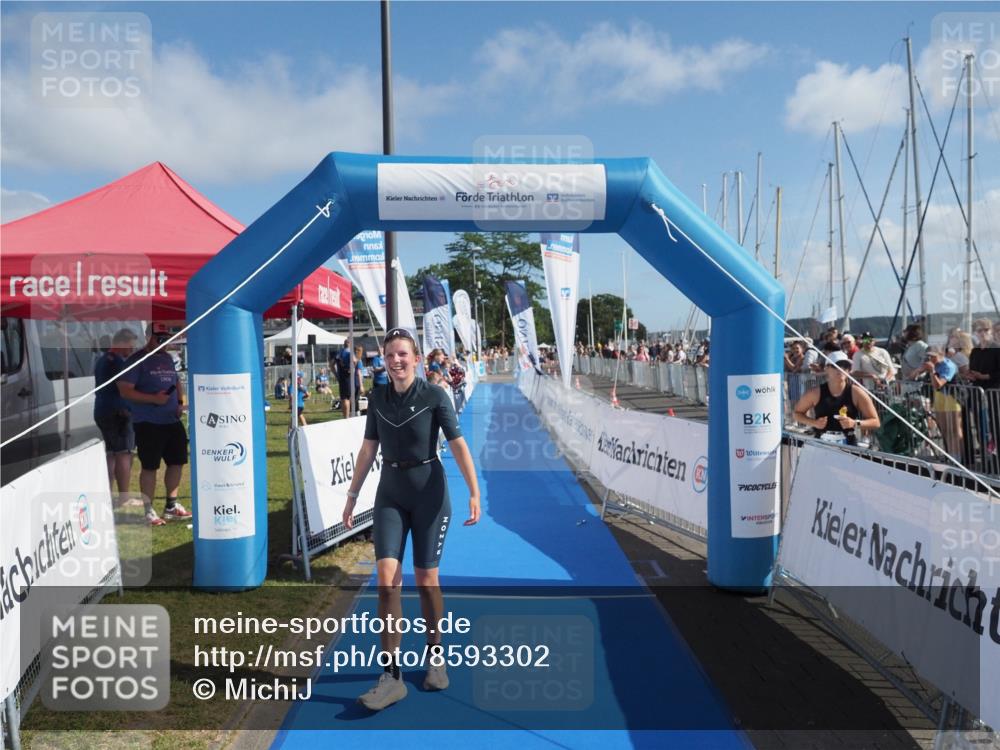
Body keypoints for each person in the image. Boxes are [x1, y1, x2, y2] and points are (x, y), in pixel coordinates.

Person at [343, 328, 480, 711]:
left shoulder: (434, 395)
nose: (396, 361)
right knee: (387, 582)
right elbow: (369, 447)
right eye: (390, 355)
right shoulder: (378, 397)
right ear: (384, 360)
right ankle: (392, 675)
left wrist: (474, 491)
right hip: (390, 492)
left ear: (416, 359)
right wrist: (352, 496)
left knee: (426, 581)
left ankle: (435, 653)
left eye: (403, 354)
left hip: (430, 496)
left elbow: (457, 443)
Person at [117, 323, 192, 526]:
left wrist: (179, 403)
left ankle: (171, 505)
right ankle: (148, 511)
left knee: (177, 461)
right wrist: (152, 399)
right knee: (150, 466)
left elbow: (177, 382)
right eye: (160, 338)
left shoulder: (167, 358)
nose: (164, 342)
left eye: (167, 338)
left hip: (171, 419)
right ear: (149, 337)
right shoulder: (137, 360)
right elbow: (125, 390)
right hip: (148, 421)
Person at [793, 351, 880, 446]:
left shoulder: (857, 392)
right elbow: (797, 414)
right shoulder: (815, 393)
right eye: (836, 366)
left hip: (848, 445)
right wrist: (814, 423)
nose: (841, 369)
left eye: (845, 366)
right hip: (822, 444)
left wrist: (854, 423)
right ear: (826, 368)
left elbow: (875, 422)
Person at [94, 328, 138, 508]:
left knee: (111, 454)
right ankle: (124, 497)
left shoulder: (102, 359)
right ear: (122, 343)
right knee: (124, 454)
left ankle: (108, 494)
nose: (132, 350)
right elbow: (124, 388)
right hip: (118, 412)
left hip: (102, 409)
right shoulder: (118, 362)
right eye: (130, 346)